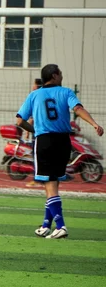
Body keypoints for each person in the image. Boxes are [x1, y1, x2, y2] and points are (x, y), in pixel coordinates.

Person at [16, 64, 103, 239]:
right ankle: (46, 225)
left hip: (45, 141)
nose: (62, 76)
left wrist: (34, 130)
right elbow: (78, 109)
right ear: (55, 76)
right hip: (64, 141)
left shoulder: (34, 95)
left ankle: (61, 225)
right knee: (53, 182)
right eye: (60, 73)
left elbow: (19, 121)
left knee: (49, 185)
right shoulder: (66, 92)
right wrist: (94, 124)